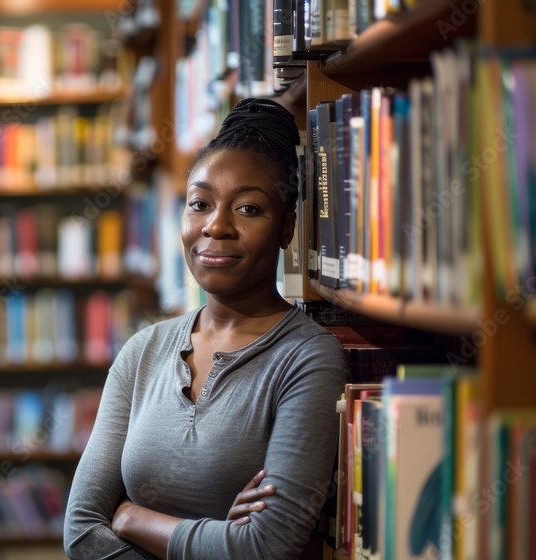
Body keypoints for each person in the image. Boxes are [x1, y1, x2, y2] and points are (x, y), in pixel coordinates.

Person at [63, 98, 349, 560]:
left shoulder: (309, 359)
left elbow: (267, 547)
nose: (216, 227)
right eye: (200, 204)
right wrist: (215, 538)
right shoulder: (142, 352)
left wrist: (132, 518)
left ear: (286, 227)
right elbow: (80, 533)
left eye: (249, 209)